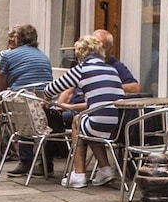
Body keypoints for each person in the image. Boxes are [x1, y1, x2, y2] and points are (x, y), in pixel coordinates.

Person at [54, 33, 126, 188]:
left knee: (77, 122)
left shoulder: (82, 68)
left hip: (99, 122)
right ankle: (105, 170)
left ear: (80, 53)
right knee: (89, 124)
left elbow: (53, 88)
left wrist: (46, 94)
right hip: (118, 124)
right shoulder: (112, 69)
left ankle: (78, 174)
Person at [0, 24, 55, 177]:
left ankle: (25, 161)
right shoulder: (43, 56)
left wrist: (0, 99)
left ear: (18, 38)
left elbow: (2, 84)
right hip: (44, 101)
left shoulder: (8, 56)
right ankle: (46, 163)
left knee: (18, 108)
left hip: (24, 102)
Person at [92, 28, 140, 95]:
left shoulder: (115, 65)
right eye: (95, 47)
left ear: (110, 49)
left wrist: (109, 87)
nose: (97, 50)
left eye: (102, 47)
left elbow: (135, 87)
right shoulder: (85, 64)